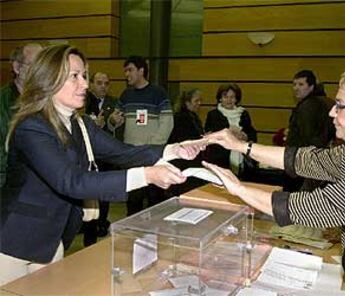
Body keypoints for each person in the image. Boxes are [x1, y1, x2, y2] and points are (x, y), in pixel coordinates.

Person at [0, 44, 206, 285]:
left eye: (84, 76)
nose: (85, 84)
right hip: (12, 241)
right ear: (49, 79)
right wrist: (148, 175)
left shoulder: (80, 123)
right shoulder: (32, 126)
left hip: (50, 239)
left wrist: (173, 149)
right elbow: (72, 181)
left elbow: (123, 153)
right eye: (74, 76)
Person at [203, 61, 345, 295]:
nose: (332, 112)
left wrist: (237, 188)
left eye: (341, 106)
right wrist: (241, 146)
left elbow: (312, 207)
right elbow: (306, 160)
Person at [112, 56, 174, 215]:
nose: (127, 74)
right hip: (132, 155)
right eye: (125, 71)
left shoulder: (158, 93)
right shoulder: (126, 95)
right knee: (133, 200)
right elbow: (114, 120)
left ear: (141, 71)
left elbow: (167, 123)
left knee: (155, 199)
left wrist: (152, 148)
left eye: (130, 70)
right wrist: (113, 120)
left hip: (152, 155)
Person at [82, 71, 124, 246]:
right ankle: (87, 230)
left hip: (105, 156)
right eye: (99, 83)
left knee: (104, 192)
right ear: (91, 84)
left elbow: (117, 131)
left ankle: (101, 223)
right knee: (89, 193)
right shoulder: (82, 101)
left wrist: (112, 123)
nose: (103, 87)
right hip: (86, 155)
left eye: (106, 83)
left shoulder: (114, 103)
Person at [0, 43, 43, 187]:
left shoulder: (50, 101)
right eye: (35, 65)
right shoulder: (2, 102)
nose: (41, 71)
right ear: (17, 67)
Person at [284, 70, 335, 191]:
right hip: (317, 160)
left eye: (301, 84)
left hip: (301, 163)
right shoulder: (324, 101)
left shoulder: (307, 106)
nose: (296, 88)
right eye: (294, 84)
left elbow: (308, 137)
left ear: (311, 87)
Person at [204, 83, 257, 180]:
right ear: (220, 98)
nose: (229, 100)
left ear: (236, 99)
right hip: (220, 160)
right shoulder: (213, 114)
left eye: (232, 97)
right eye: (225, 97)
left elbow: (252, 133)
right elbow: (209, 136)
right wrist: (229, 133)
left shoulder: (244, 113)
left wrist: (245, 136)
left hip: (241, 159)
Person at [167, 89, 207, 197]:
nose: (199, 103)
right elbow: (186, 139)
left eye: (200, 100)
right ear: (187, 102)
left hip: (190, 160)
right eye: (196, 101)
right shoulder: (181, 118)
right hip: (184, 162)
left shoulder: (192, 116)